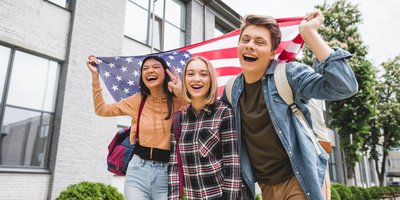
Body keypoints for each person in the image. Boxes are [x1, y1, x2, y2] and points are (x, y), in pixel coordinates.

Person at [220, 10, 358, 200]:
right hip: (266, 185)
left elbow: (345, 86)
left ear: (272, 53)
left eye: (260, 42)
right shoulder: (231, 90)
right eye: (245, 40)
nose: (250, 46)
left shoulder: (288, 74)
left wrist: (309, 34)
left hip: (301, 177)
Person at [86, 55, 185, 200]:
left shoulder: (179, 100)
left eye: (155, 67)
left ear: (165, 73)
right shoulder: (138, 99)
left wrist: (182, 94)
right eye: (145, 68)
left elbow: (203, 111)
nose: (150, 70)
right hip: (137, 170)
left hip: (167, 172)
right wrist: (95, 76)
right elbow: (102, 110)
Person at [168, 56, 242, 199]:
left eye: (203, 74)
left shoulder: (224, 113)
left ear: (211, 80)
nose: (196, 79)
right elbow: (174, 168)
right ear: (185, 80)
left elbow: (233, 166)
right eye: (190, 74)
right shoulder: (178, 119)